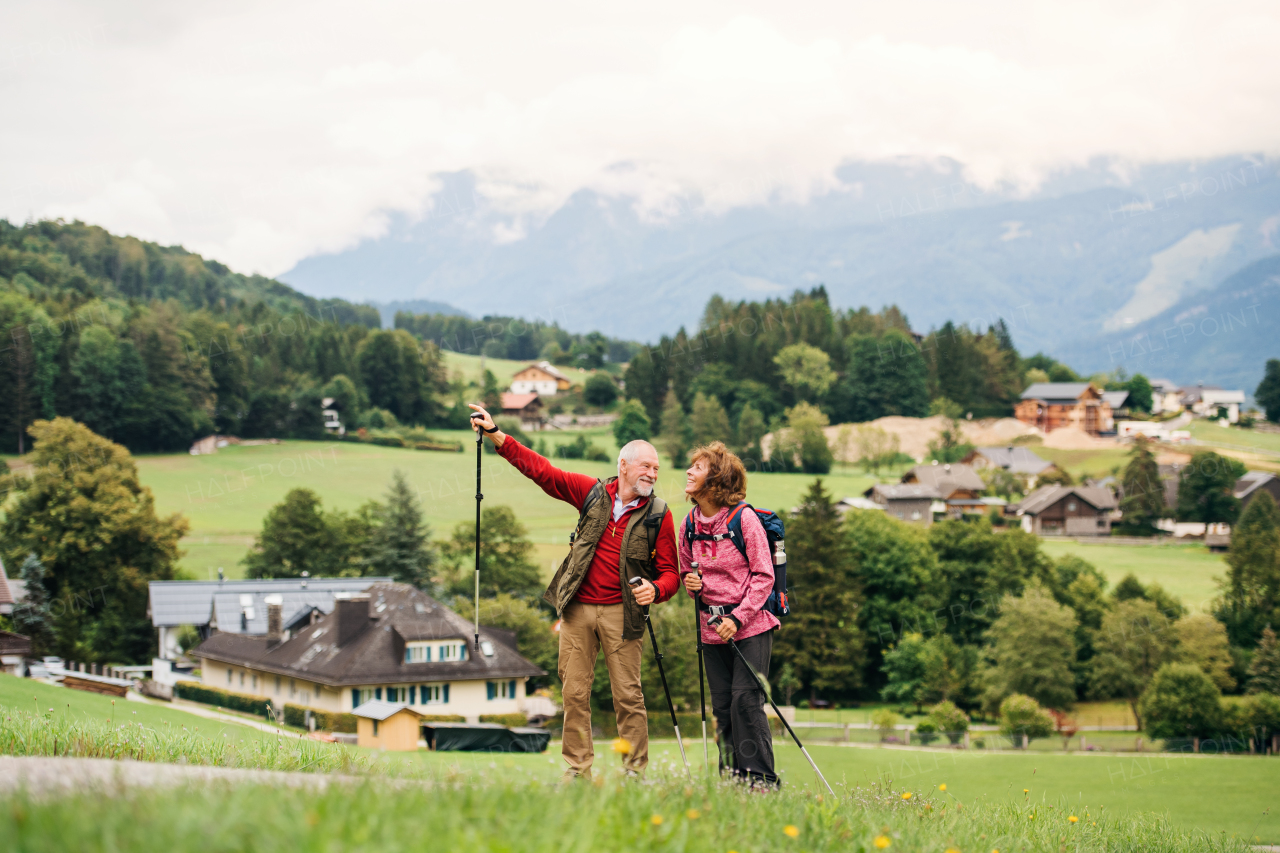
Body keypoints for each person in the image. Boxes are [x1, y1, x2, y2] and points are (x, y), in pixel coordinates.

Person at [468, 403, 679, 779]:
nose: (652, 473)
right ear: (624, 466)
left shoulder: (658, 515)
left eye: (657, 468)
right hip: (577, 609)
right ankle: (577, 772)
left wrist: (656, 589)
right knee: (574, 694)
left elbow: (670, 573)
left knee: (628, 698)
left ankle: (634, 774)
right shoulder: (591, 493)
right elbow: (544, 472)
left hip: (623, 613)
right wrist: (498, 435)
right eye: (646, 465)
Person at [679, 440, 779, 788]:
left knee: (746, 702)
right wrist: (691, 582)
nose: (689, 472)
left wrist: (737, 618)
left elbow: (764, 576)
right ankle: (732, 782)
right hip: (710, 629)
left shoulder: (744, 519)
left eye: (698, 467)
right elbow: (686, 574)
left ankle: (761, 781)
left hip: (750, 626)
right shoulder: (689, 524)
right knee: (722, 708)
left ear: (717, 478)